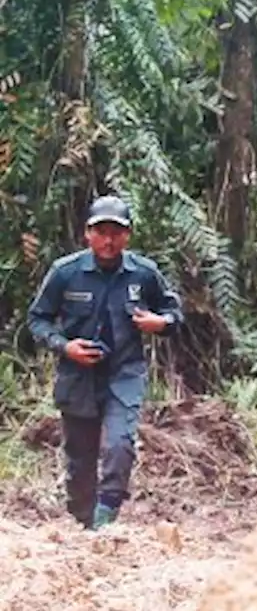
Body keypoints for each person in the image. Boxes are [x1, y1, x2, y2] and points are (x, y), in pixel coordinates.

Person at [26, 195, 184, 529]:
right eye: (101, 232)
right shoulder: (65, 272)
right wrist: (65, 346)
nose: (108, 240)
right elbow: (38, 320)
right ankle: (84, 525)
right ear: (87, 233)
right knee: (79, 462)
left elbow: (174, 314)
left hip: (124, 373)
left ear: (128, 235)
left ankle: (107, 515)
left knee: (119, 444)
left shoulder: (143, 274)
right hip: (77, 376)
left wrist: (161, 323)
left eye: (116, 232)